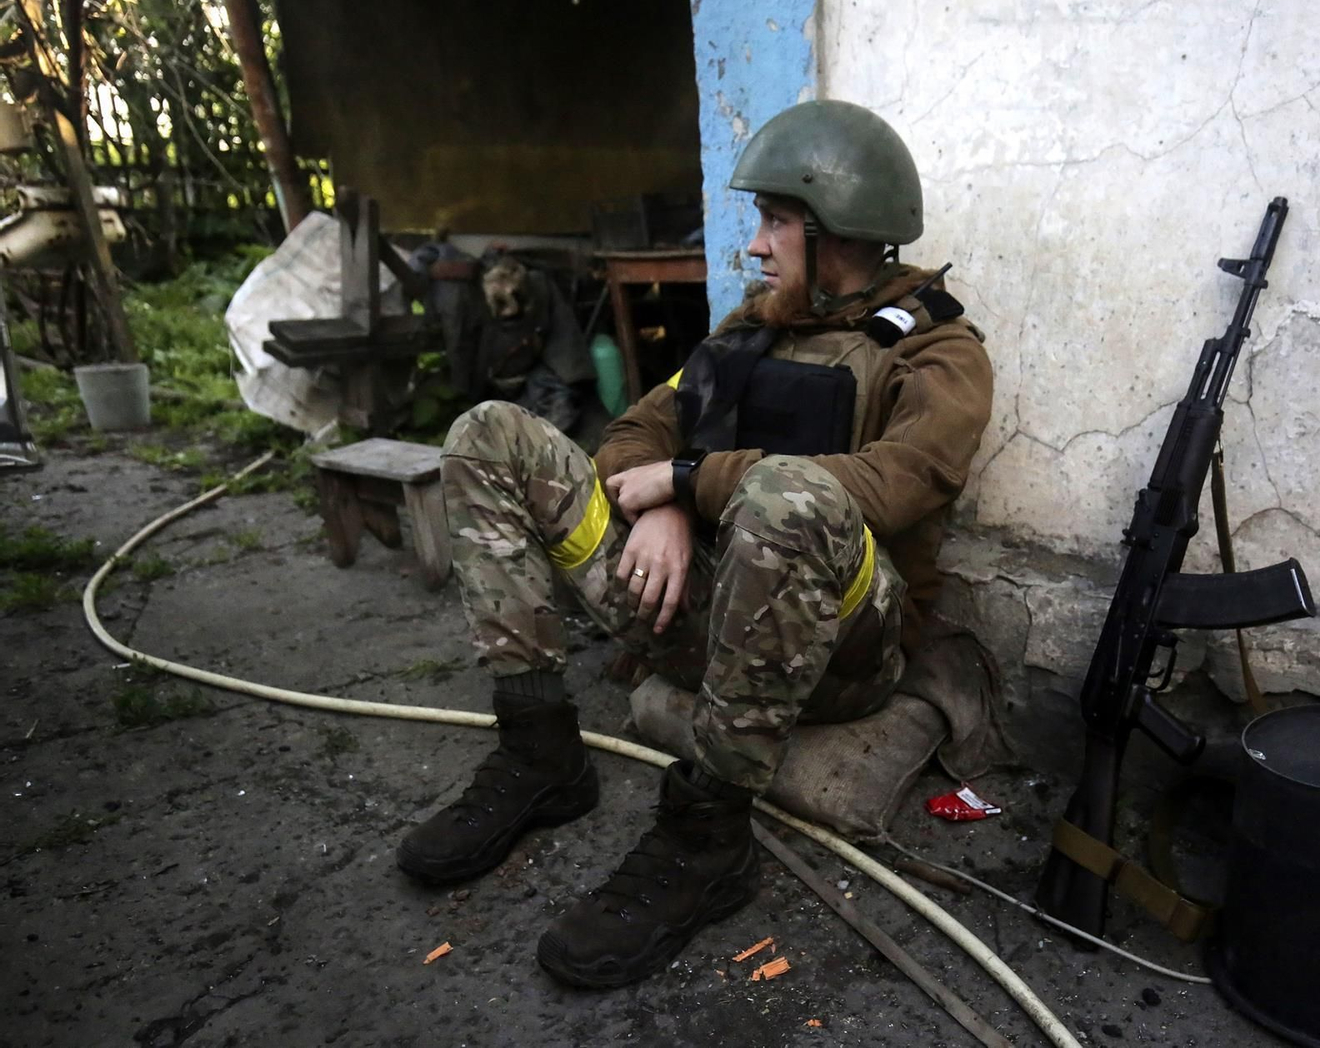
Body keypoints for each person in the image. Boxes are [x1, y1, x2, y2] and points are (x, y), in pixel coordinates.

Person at [397, 99, 994, 988]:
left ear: (837, 233)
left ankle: (707, 835)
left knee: (792, 490)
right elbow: (634, 436)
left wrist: (690, 480)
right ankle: (539, 750)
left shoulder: (941, 356)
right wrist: (667, 505)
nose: (755, 246)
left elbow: (892, 485)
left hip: (839, 650)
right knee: (490, 431)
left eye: (776, 221)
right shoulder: (750, 329)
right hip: (702, 606)